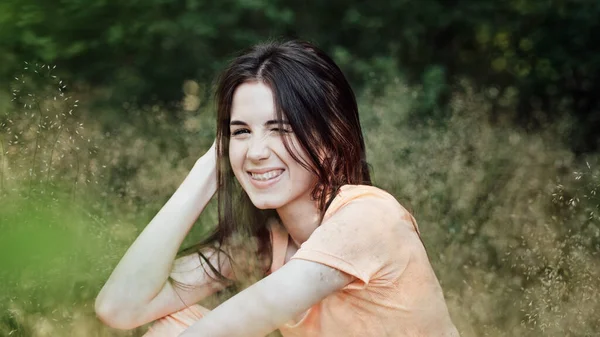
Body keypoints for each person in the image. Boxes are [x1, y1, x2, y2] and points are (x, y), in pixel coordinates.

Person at [95, 40, 459, 337]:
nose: (255, 153)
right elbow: (119, 307)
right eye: (240, 132)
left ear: (330, 138)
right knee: (169, 328)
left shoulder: (367, 218)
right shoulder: (268, 244)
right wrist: (207, 171)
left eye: (281, 129)